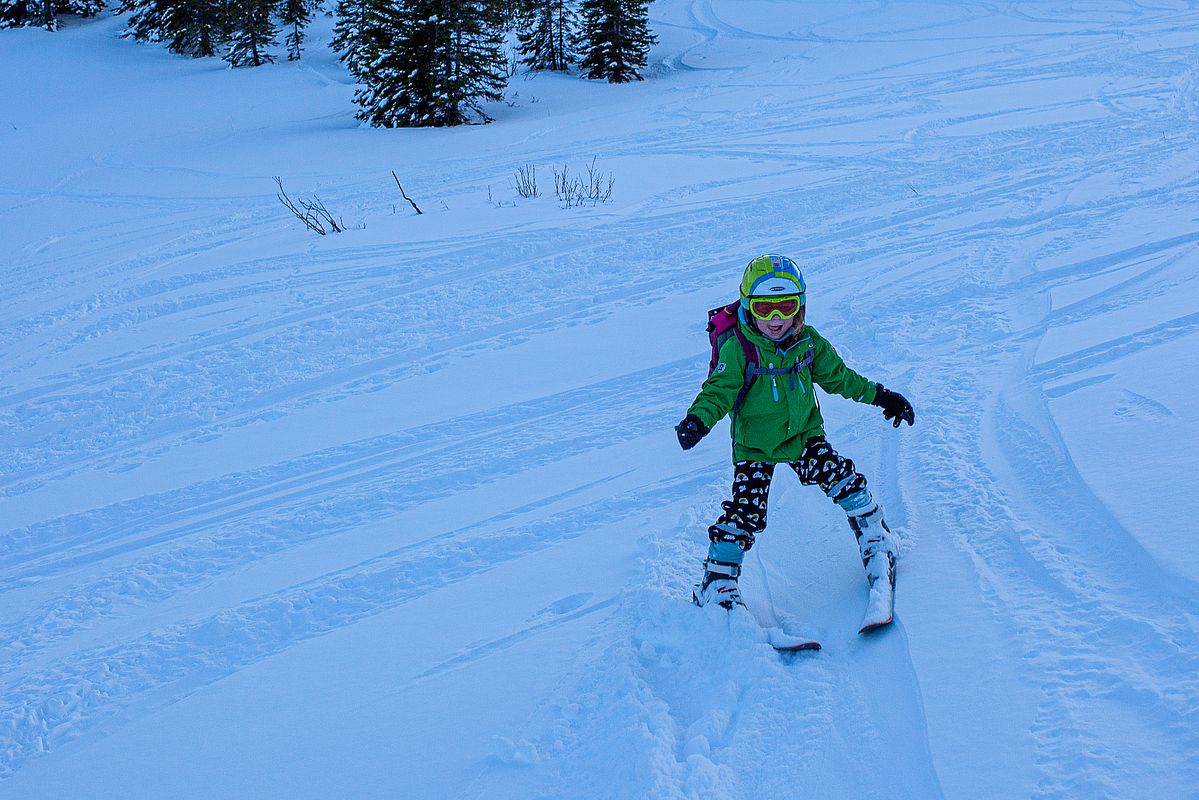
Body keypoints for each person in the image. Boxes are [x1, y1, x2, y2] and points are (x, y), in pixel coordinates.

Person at [675, 254, 914, 610]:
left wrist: (881, 396)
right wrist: (699, 420)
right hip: (755, 447)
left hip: (803, 438)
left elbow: (842, 379)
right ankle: (718, 580)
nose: (775, 319)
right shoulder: (738, 347)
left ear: (799, 306)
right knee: (746, 512)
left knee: (842, 478)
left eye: (785, 307)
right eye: (764, 307)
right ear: (747, 305)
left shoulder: (810, 343)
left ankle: (877, 538)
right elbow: (719, 390)